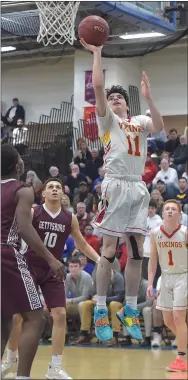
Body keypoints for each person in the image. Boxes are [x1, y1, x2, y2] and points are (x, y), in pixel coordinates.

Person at [80, 38, 164, 342]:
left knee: (137, 252)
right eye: (112, 97)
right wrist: (98, 52)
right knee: (110, 249)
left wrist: (149, 97)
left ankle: (129, 309)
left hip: (137, 188)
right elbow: (99, 88)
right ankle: (101, 308)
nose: (114, 99)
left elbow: (158, 124)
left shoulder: (139, 122)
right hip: (115, 185)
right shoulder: (108, 122)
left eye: (119, 98)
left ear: (128, 105)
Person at [2, 177, 100, 380]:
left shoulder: (69, 217)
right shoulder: (33, 212)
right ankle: (11, 360)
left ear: (63, 195)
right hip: (28, 265)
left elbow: (81, 244)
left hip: (53, 270)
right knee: (18, 316)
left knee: (60, 314)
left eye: (58, 187)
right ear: (43, 194)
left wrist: (99, 260)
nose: (55, 189)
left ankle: (55, 367)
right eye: (51, 187)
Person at [1, 144, 65, 379]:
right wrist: (51, 259)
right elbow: (25, 228)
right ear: (17, 166)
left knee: (4, 319)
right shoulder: (22, 190)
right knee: (36, 317)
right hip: (7, 254)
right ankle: (23, 377)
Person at [147, 199, 187, 372]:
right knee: (168, 320)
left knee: (179, 316)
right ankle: (184, 344)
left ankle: (181, 358)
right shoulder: (155, 233)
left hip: (182, 276)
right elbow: (153, 260)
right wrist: (150, 283)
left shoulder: (185, 232)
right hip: (164, 277)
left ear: (179, 214)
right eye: (167, 209)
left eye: (173, 209)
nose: (170, 211)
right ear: (162, 213)